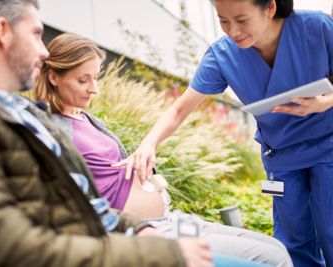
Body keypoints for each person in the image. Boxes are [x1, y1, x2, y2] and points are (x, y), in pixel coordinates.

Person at [0, 1, 217, 267]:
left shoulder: (25, 113)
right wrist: (157, 255)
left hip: (116, 244)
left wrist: (136, 227)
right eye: (36, 34)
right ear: (3, 31)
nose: (44, 52)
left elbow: (79, 203)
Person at [33, 32, 293, 267]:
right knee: (272, 260)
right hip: (147, 232)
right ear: (54, 76)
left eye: (96, 77)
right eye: (83, 80)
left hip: (170, 219)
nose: (95, 88)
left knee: (278, 250)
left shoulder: (89, 120)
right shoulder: (51, 129)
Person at [114, 0, 333, 266]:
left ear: (270, 8)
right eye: (223, 20)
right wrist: (148, 144)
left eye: (241, 20)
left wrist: (326, 101)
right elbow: (179, 109)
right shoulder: (223, 55)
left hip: (328, 145)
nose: (233, 31)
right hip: (282, 156)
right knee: (294, 240)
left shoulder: (316, 27)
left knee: (330, 229)